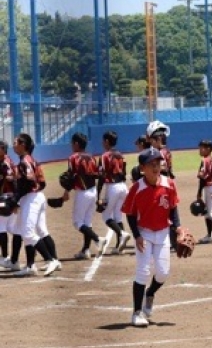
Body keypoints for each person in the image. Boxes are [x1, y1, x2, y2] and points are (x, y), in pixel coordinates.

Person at [122, 147, 181, 327]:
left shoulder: (169, 184)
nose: (156, 167)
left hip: (163, 233)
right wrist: (137, 235)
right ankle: (137, 313)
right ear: (142, 168)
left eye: (158, 164)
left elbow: (173, 208)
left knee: (163, 273)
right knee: (143, 271)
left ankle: (150, 293)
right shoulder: (136, 188)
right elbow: (130, 214)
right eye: (151, 164)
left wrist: (177, 227)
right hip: (144, 233)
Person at [12, 133, 60, 277]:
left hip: (31, 198)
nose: (14, 145)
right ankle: (30, 265)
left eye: (16, 142)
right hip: (35, 196)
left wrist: (15, 199)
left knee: (28, 232)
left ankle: (50, 260)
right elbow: (42, 182)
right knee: (28, 230)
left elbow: (28, 183)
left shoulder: (24, 162)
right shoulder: (32, 160)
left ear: (23, 145)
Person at [62, 133, 108, 260]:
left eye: (72, 143)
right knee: (87, 222)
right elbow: (98, 174)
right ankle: (86, 250)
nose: (71, 145)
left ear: (76, 144)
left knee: (77, 222)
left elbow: (70, 176)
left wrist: (66, 191)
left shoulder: (73, 158)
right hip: (93, 191)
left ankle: (98, 239)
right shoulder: (91, 157)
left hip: (82, 192)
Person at [97, 131, 131, 255]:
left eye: (103, 140)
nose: (102, 143)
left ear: (107, 141)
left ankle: (121, 234)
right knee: (118, 216)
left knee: (106, 216)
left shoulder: (104, 156)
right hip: (123, 187)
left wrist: (98, 195)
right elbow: (124, 172)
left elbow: (101, 176)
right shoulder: (120, 155)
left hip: (112, 187)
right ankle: (119, 246)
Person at [0, 139, 22, 271]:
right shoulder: (4, 161)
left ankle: (5, 257)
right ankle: (34, 243)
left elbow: (13, 181)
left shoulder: (5, 163)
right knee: (11, 227)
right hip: (8, 198)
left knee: (2, 227)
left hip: (7, 198)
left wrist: (15, 202)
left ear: (3, 149)